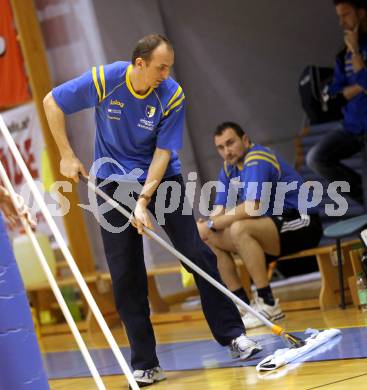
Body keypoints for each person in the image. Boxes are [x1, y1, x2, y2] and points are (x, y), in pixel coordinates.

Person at [43, 34, 262, 387]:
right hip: (111, 181)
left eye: (169, 67)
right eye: (160, 67)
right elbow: (52, 102)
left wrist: (143, 202)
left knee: (195, 253)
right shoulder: (106, 79)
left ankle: (233, 336)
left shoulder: (171, 94)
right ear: (139, 64)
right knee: (126, 273)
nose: (166, 74)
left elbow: (163, 154)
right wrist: (66, 155)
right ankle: (145, 363)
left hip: (161, 178)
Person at [197, 122, 323, 329]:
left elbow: (252, 207)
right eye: (220, 147)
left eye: (230, 143)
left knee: (240, 228)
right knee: (208, 236)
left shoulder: (257, 159)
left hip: (302, 223)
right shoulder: (229, 168)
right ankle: (243, 305)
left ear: (245, 140)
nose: (227, 151)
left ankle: (268, 303)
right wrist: (205, 225)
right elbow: (219, 208)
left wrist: (211, 223)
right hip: (272, 227)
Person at [307, 0, 367, 207]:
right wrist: (360, 86)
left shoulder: (355, 50)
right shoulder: (344, 53)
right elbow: (335, 93)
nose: (341, 22)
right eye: (339, 17)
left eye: (346, 15)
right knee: (315, 158)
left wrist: (357, 52)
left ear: (361, 13)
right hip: (351, 126)